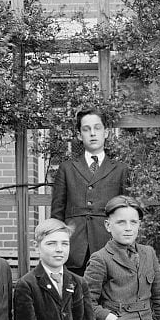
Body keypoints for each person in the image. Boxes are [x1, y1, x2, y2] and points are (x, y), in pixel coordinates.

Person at [50, 107, 130, 276]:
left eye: (97, 128)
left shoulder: (120, 170)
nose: (92, 133)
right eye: (86, 129)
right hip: (75, 249)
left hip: (108, 246)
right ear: (79, 135)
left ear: (106, 132)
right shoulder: (67, 168)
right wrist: (59, 245)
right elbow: (57, 214)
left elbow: (126, 214)